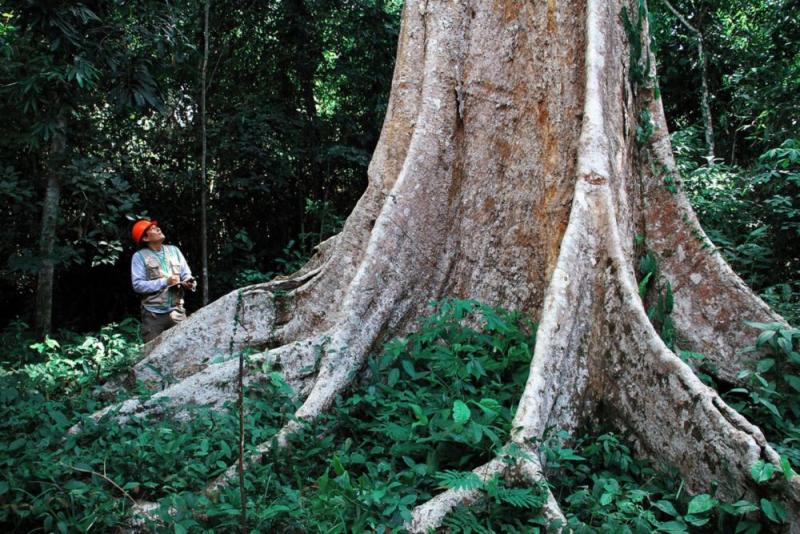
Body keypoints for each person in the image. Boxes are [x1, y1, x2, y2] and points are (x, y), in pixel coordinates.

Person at [130, 219, 196, 342]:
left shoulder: (174, 250)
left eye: (157, 227)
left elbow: (186, 273)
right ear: (145, 239)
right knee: (152, 356)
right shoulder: (139, 256)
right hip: (153, 315)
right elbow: (138, 285)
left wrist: (189, 282)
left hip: (177, 312)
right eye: (152, 229)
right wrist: (165, 282)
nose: (158, 229)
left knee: (184, 349)